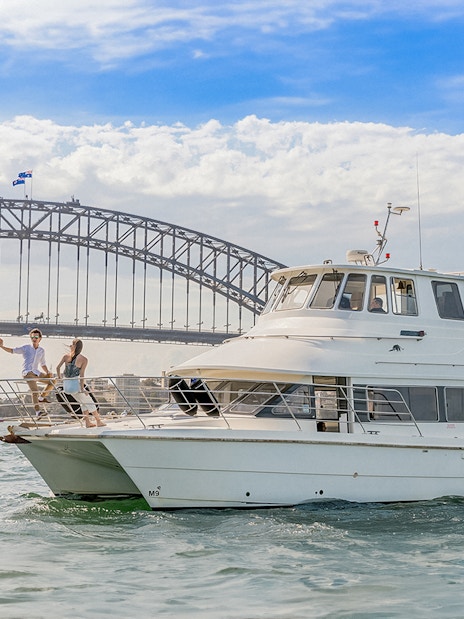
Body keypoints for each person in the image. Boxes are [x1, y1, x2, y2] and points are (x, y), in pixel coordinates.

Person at [0, 328, 54, 417]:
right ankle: (38, 412)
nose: (34, 338)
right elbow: (12, 351)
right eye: (32, 337)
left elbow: (43, 364)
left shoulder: (41, 351)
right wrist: (2, 346)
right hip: (28, 373)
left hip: (37, 372)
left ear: (40, 338)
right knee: (35, 391)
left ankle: (41, 398)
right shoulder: (26, 348)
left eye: (36, 337)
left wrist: (48, 371)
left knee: (52, 381)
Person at [56, 339, 105, 428]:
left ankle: (87, 422)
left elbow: (57, 368)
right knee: (90, 402)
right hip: (75, 386)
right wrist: (82, 389)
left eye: (72, 344)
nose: (70, 346)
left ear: (74, 346)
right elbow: (82, 376)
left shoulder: (65, 357)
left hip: (66, 386)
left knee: (83, 403)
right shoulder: (84, 359)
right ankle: (98, 421)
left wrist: (60, 378)